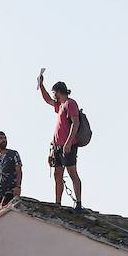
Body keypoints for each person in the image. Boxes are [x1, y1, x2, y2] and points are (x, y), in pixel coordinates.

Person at [37, 71, 82, 209]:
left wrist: (68, 142)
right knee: (58, 174)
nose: (53, 95)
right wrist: (41, 84)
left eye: (54, 92)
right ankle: (58, 203)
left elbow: (76, 123)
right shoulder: (60, 105)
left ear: (58, 91)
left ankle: (79, 203)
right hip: (57, 146)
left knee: (72, 172)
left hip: (67, 145)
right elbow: (47, 100)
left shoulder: (70, 103)